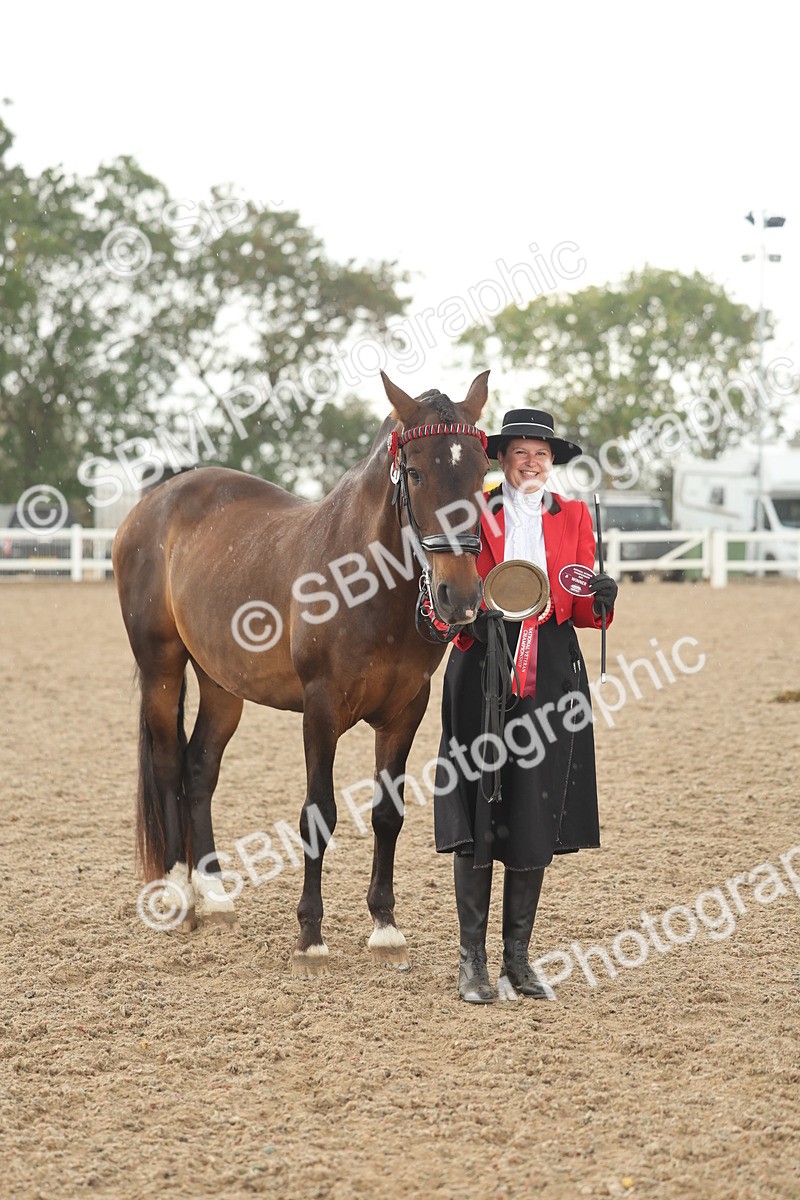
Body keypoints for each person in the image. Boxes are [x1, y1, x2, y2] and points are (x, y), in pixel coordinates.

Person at [433, 408, 618, 1003]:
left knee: (534, 805)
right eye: (521, 454)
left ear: (551, 461)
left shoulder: (576, 516)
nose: (532, 463)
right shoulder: (470, 514)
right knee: (479, 806)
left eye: (541, 454)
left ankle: (517, 958)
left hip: (552, 672)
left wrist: (604, 599)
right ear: (503, 460)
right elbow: (443, 599)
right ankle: (471, 963)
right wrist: (469, 615)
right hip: (481, 661)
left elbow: (586, 611)